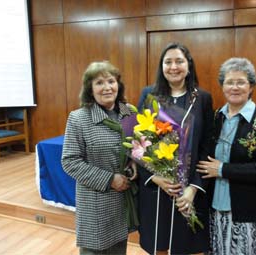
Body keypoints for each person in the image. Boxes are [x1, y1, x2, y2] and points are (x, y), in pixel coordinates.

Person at [197, 57, 256, 255]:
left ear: (251, 86)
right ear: (222, 86)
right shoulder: (216, 117)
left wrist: (222, 169)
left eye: (241, 82)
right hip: (216, 206)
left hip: (249, 208)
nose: (235, 87)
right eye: (229, 82)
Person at [137, 42, 214, 254]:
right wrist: (155, 178)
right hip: (157, 187)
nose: (174, 66)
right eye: (168, 61)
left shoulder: (202, 99)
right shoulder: (149, 95)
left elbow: (207, 145)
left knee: (188, 246)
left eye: (179, 61)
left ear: (189, 65)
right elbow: (138, 141)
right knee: (159, 245)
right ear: (161, 66)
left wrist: (193, 188)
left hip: (188, 188)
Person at [61, 61, 137, 255]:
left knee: (119, 249)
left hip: (123, 201)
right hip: (96, 203)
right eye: (99, 83)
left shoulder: (130, 113)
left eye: (111, 81)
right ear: (90, 89)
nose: (107, 87)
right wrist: (110, 179)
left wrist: (134, 164)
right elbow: (70, 161)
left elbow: (138, 149)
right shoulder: (79, 118)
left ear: (118, 85)